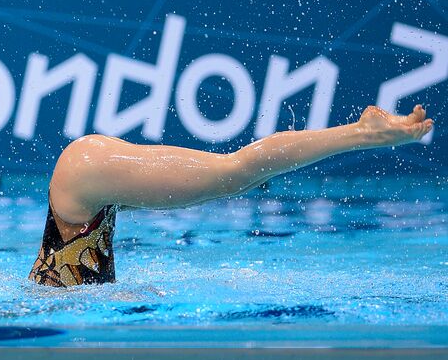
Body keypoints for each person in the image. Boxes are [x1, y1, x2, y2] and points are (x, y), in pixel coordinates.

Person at [30, 104, 434, 287]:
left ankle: (363, 132)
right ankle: (362, 132)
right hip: (81, 184)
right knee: (237, 174)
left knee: (236, 171)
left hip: (83, 174)